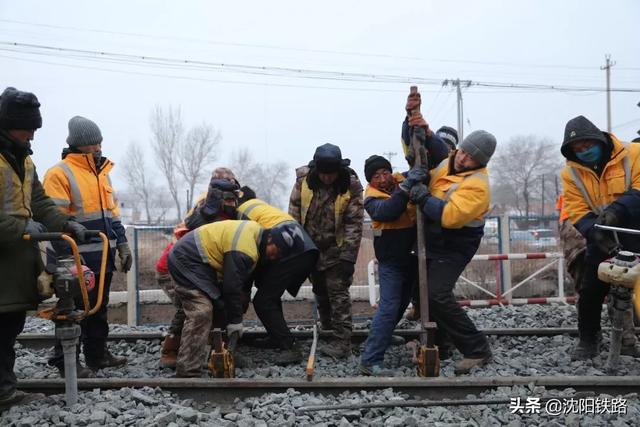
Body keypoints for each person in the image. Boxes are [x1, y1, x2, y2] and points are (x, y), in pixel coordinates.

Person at [0, 87, 87, 409]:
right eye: (28, 130)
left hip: (16, 259)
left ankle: (5, 390)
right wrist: (19, 227)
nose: (32, 136)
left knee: (9, 326)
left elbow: (38, 201)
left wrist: (64, 224)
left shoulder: (23, 160)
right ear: (9, 125)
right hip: (7, 251)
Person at [43, 116, 131, 375]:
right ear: (80, 145)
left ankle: (97, 354)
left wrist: (123, 244)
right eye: (94, 143)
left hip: (102, 256)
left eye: (99, 142)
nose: (99, 147)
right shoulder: (59, 173)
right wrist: (67, 259)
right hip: (75, 258)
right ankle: (65, 361)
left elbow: (112, 215)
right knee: (72, 310)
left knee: (98, 308)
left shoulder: (102, 174)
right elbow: (54, 220)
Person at [407, 130, 496, 374]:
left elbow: (449, 216)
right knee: (422, 288)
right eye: (463, 151)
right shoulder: (450, 160)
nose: (462, 158)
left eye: (470, 157)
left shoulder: (478, 186)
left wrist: (424, 198)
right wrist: (419, 126)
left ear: (481, 162)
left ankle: (477, 349)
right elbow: (430, 145)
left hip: (457, 243)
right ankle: (442, 344)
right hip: (436, 239)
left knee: (436, 293)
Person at [167, 220, 302, 377]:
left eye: (279, 255)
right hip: (187, 260)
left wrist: (236, 308)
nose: (275, 257)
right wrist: (236, 322)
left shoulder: (256, 236)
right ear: (270, 239)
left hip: (200, 262)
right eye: (277, 251)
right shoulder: (246, 249)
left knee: (217, 305)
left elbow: (238, 280)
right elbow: (232, 288)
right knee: (201, 311)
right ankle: (187, 370)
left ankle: (213, 353)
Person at [559, 115, 640, 360]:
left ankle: (628, 339)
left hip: (635, 229)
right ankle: (588, 339)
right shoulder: (571, 173)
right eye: (578, 149)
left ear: (598, 139)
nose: (584, 152)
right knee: (591, 290)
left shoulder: (634, 154)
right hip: (602, 233)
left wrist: (618, 210)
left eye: (587, 145)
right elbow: (575, 207)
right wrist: (592, 231)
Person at [156, 168, 240, 369]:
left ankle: (205, 348)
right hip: (173, 268)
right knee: (192, 307)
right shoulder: (209, 216)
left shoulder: (211, 210)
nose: (233, 203)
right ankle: (172, 350)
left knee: (199, 304)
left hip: (184, 267)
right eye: (229, 198)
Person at [289, 143, 363, 359]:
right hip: (310, 247)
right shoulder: (303, 183)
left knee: (338, 293)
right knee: (320, 289)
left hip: (337, 248)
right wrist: (296, 250)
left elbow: (354, 223)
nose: (328, 178)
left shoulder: (351, 186)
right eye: (324, 174)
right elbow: (293, 215)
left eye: (332, 174)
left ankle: (342, 342)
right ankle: (328, 328)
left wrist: (348, 257)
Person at [236, 194, 318, 364]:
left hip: (289, 250)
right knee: (269, 296)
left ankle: (288, 346)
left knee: (263, 301)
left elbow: (248, 251)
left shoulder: (240, 213)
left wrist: (243, 290)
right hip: (305, 247)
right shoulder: (259, 205)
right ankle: (277, 337)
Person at [358, 155, 420, 374]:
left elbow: (419, 174)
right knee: (389, 306)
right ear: (370, 180)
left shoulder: (400, 180)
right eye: (376, 176)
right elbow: (390, 211)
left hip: (410, 257)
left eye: (385, 172)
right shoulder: (371, 198)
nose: (382, 179)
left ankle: (385, 334)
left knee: (402, 302)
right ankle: (370, 359)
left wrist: (416, 175)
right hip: (391, 261)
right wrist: (406, 188)